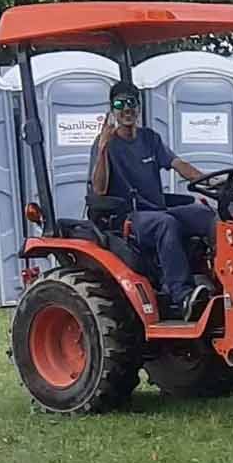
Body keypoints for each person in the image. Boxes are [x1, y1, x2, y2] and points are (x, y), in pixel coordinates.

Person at [87, 84, 217, 318]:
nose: (127, 109)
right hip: (129, 217)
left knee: (206, 215)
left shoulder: (150, 139)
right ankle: (182, 296)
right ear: (112, 109)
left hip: (158, 209)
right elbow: (99, 188)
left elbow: (179, 165)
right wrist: (104, 148)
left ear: (139, 107)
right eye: (120, 104)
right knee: (166, 223)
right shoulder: (105, 144)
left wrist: (210, 182)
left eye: (132, 103)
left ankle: (223, 282)